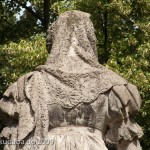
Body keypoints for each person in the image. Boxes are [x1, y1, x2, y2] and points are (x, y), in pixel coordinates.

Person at [0, 10, 143, 150]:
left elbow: (14, 143)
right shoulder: (111, 84)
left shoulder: (29, 84)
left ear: (54, 39)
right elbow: (127, 143)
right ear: (89, 37)